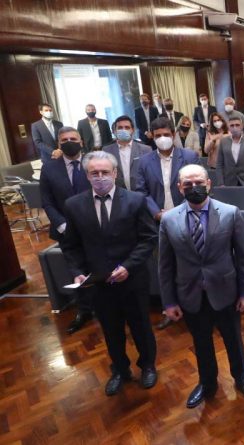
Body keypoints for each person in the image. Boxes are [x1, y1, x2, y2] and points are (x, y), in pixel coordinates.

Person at [159, 164, 244, 408]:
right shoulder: (169, 219)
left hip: (226, 291)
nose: (194, 187)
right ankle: (207, 383)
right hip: (190, 294)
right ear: (179, 188)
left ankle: (242, 377)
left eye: (199, 183)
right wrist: (169, 302)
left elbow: (243, 256)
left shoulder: (230, 213)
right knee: (201, 342)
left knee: (233, 339)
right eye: (188, 184)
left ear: (208, 184)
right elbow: (165, 265)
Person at [60, 151, 158, 396]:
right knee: (111, 330)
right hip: (99, 282)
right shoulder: (74, 205)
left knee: (141, 326)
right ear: (87, 175)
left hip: (133, 278)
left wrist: (128, 266)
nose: (100, 177)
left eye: (105, 172)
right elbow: (71, 245)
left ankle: (147, 365)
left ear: (115, 173)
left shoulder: (135, 200)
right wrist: (77, 272)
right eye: (94, 173)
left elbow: (148, 238)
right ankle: (120, 370)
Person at [40, 127, 93, 333]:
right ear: (58, 144)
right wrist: (61, 224)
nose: (69, 142)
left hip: (94, 227)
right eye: (64, 140)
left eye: (73, 138)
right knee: (76, 270)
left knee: (100, 265)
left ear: (81, 142)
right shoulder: (49, 168)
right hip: (65, 230)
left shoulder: (93, 163)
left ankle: (106, 305)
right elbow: (47, 201)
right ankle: (84, 310)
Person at [134, 117, 199, 221]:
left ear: (173, 135)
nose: (162, 138)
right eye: (158, 136)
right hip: (157, 220)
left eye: (166, 134)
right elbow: (142, 192)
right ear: (153, 137)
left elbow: (197, 187)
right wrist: (156, 213)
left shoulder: (190, 157)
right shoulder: (144, 161)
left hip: (187, 216)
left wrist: (179, 212)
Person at [103, 116, 150, 191]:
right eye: (120, 128)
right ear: (115, 131)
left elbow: (149, 175)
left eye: (127, 127)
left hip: (141, 193)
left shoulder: (146, 149)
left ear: (133, 130)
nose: (123, 130)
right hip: (118, 193)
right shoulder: (106, 151)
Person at [216, 117, 244, 187]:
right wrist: (221, 183)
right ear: (228, 127)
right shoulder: (223, 141)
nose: (235, 127)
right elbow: (219, 164)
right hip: (229, 182)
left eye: (237, 125)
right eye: (232, 125)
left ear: (242, 126)